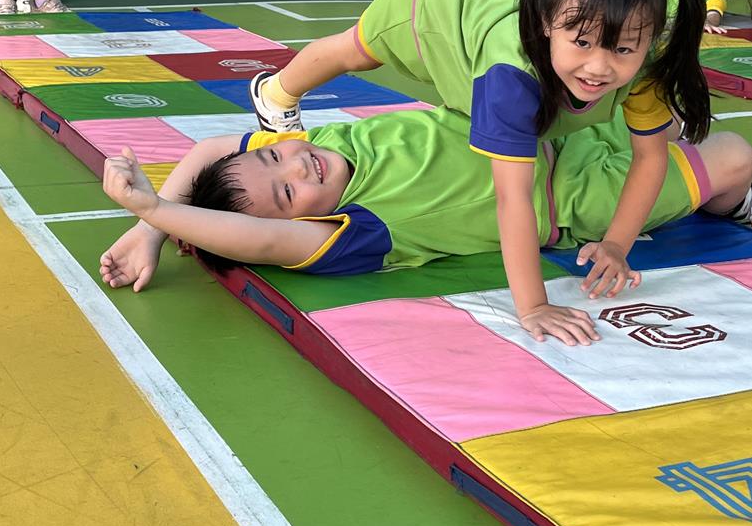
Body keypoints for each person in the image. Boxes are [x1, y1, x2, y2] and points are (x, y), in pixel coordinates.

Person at [245, 0, 710, 344]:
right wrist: (534, 306)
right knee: (360, 48)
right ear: (546, 22)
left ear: (648, 39)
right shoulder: (509, 71)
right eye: (582, 43)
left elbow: (650, 156)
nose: (599, 66)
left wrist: (616, 244)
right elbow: (513, 197)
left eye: (622, 50)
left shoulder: (648, 38)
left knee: (530, 107)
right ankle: (276, 92)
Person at [100, 104, 752, 352]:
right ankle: (733, 203)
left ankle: (719, 196)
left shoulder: (322, 143)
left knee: (669, 112)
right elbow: (265, 240)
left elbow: (215, 147)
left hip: (556, 128)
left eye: (276, 158)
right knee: (731, 154)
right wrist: (156, 211)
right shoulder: (359, 227)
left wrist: (146, 232)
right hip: (578, 194)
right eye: (289, 193)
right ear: (307, 220)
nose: (296, 165)